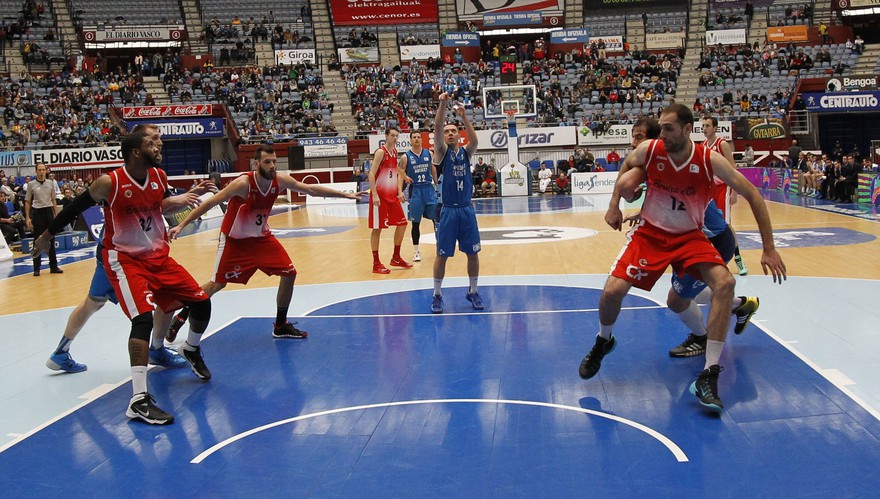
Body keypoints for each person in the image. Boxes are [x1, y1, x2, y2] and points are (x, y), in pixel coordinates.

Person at [584, 104, 786, 414]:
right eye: (660, 128)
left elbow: (754, 195)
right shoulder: (651, 150)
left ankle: (709, 374)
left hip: (690, 237)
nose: (661, 134)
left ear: (687, 129)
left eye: (668, 128)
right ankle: (603, 340)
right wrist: (614, 206)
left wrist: (769, 248)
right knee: (612, 291)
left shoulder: (709, 160)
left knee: (724, 283)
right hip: (651, 235)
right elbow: (627, 164)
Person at [31, 129, 214, 425]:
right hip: (123, 259)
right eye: (152, 141)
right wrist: (47, 235)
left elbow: (157, 205)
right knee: (133, 315)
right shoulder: (109, 182)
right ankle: (138, 399)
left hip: (157, 255)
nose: (160, 144)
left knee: (201, 302)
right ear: (135, 152)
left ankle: (188, 349)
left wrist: (180, 200)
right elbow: (75, 207)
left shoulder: (159, 176)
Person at [166, 144, 364, 340]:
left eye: (274, 162)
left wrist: (344, 194)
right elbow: (211, 202)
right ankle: (182, 314)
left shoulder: (280, 180)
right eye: (267, 162)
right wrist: (182, 225)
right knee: (217, 284)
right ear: (256, 164)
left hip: (261, 239)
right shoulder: (243, 183)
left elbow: (311, 189)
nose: (272, 166)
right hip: (235, 241)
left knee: (289, 274)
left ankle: (280, 325)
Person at [612, 117, 761, 359]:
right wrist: (643, 212)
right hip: (689, 237)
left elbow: (691, 202)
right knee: (686, 291)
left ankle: (702, 338)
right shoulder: (656, 162)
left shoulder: (672, 158)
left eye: (638, 137)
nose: (633, 143)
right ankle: (740, 304)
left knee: (676, 299)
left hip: (709, 239)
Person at [431, 92, 482, 314]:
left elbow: (476, 140)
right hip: (448, 211)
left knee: (473, 253)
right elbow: (436, 127)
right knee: (442, 255)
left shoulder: (466, 152)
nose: (450, 134)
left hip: (466, 209)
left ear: (458, 135)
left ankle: (473, 290)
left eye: (453, 131)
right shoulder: (441, 152)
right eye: (447, 132)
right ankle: (437, 294)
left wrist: (464, 116)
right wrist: (443, 104)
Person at [701, 116, 748, 276]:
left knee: (726, 225)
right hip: (710, 189)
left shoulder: (722, 144)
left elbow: (733, 168)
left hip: (723, 188)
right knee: (709, 226)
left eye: (707, 125)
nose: (704, 128)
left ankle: (738, 259)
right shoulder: (703, 145)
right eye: (703, 126)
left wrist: (734, 191)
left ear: (715, 128)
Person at [368, 126, 411, 274]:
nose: (395, 138)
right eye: (392, 135)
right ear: (386, 136)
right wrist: (374, 194)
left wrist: (404, 178)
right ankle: (376, 263)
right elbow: (371, 174)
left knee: (403, 224)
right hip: (379, 196)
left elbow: (395, 168)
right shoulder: (380, 152)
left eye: (396, 136)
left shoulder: (394, 152)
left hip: (392, 196)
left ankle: (396, 257)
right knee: (377, 229)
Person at [399, 131, 438, 263]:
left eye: (418, 137)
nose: (416, 139)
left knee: (436, 220)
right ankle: (416, 251)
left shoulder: (429, 153)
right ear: (410, 140)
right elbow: (401, 175)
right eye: (414, 137)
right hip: (415, 191)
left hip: (429, 189)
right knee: (416, 223)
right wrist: (400, 191)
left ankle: (440, 246)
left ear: (422, 139)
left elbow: (433, 169)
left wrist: (437, 184)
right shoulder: (405, 157)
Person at [25, 163, 62, 276]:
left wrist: (56, 214)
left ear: (46, 171)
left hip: (48, 212)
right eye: (39, 170)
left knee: (51, 239)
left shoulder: (51, 183)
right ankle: (36, 268)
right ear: (36, 171)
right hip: (37, 213)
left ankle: (54, 266)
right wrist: (27, 217)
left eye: (43, 170)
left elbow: (53, 199)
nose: (41, 172)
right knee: (37, 240)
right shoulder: (31, 184)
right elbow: (27, 201)